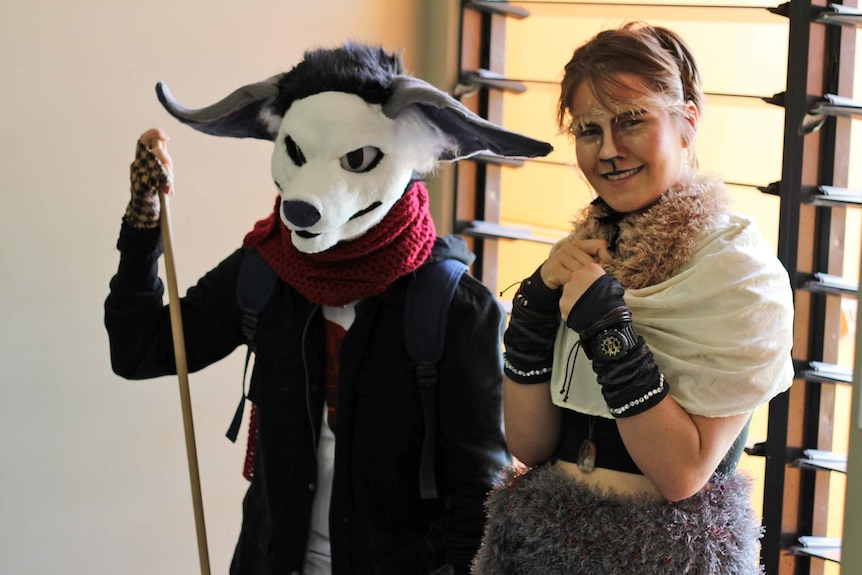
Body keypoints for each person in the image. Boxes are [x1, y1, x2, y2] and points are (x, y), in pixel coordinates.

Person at [104, 43, 553, 575]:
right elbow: (141, 351)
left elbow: (479, 499)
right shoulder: (266, 269)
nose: (309, 196)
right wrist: (142, 229)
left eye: (356, 160)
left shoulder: (454, 308)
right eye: (298, 155)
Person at [472, 22, 794, 574]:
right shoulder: (583, 252)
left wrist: (608, 331)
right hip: (537, 547)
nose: (610, 151)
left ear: (687, 121)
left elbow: (681, 474)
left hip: (666, 556)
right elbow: (530, 444)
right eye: (589, 130)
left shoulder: (740, 272)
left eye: (632, 121)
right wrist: (531, 318)